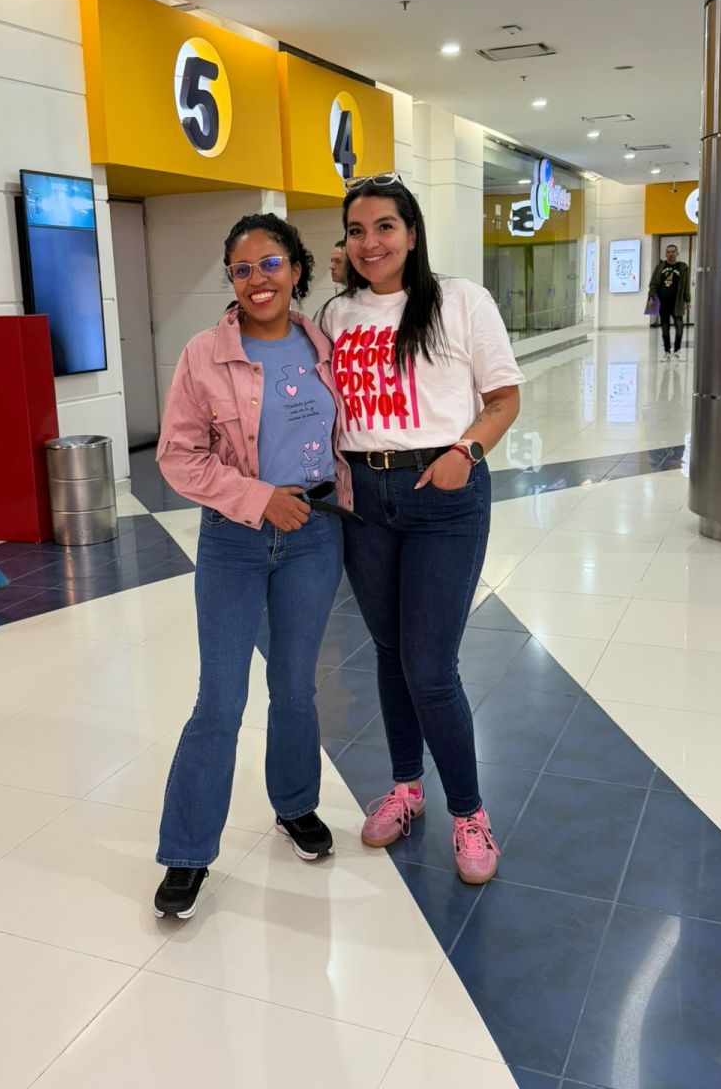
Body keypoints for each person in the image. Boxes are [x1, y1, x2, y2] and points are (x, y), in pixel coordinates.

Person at [320, 173, 524, 885]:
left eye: (385, 226)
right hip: (363, 497)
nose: (370, 242)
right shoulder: (337, 315)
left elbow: (504, 398)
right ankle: (406, 789)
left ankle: (469, 813)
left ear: (412, 232)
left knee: (430, 668)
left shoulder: (461, 301)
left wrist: (464, 454)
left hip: (442, 493)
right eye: (356, 230)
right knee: (388, 651)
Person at [153, 213, 353, 920]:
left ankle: (294, 805)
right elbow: (177, 456)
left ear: (297, 268)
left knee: (295, 686)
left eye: (270, 264)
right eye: (242, 270)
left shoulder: (324, 344)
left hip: (315, 536)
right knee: (220, 699)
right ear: (231, 281)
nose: (257, 280)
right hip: (234, 541)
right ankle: (187, 849)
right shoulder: (203, 354)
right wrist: (256, 497)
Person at [648, 244, 690, 360]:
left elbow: (686, 286)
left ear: (677, 253)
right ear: (666, 254)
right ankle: (667, 351)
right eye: (668, 252)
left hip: (677, 302)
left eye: (673, 251)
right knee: (665, 328)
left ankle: (677, 350)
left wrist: (688, 300)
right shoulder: (660, 267)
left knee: (679, 327)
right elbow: (653, 283)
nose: (671, 254)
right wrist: (651, 297)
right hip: (662, 302)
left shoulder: (682, 267)